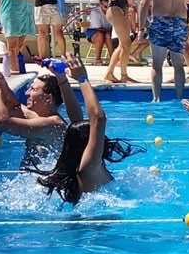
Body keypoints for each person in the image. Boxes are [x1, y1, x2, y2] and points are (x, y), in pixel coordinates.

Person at [36, 58, 133, 203]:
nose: (100, 136)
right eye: (94, 135)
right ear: (88, 144)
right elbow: (98, 119)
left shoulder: (79, 163)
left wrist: (62, 80)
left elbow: (76, 122)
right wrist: (82, 79)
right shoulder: (88, 167)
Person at [0, 62, 72, 139]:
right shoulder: (37, 115)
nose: (26, 93)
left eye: (33, 89)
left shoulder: (54, 124)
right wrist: (2, 82)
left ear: (48, 99)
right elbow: (13, 106)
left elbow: (0, 122)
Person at [97, 0, 137, 84]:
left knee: (122, 45)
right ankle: (123, 75)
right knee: (126, 43)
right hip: (115, 9)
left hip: (123, 8)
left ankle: (110, 73)